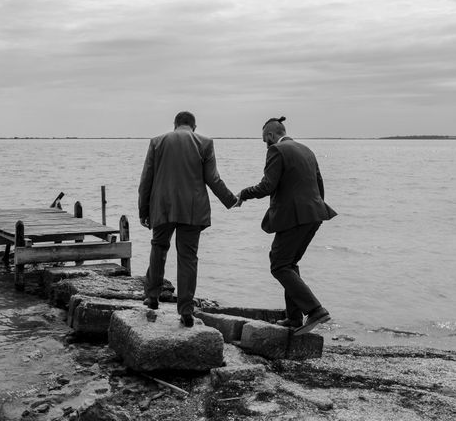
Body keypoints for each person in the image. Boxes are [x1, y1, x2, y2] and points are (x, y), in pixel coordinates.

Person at [235, 116, 337, 335]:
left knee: (279, 265)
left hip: (295, 217)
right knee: (289, 263)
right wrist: (313, 208)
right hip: (315, 213)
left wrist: (243, 194)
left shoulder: (276, 151)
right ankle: (294, 318)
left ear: (271, 135)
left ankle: (315, 309)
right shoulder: (306, 149)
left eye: (265, 140)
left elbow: (267, 186)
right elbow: (319, 184)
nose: (265, 144)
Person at [138, 111, 237, 327]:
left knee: (158, 247)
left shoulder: (157, 142)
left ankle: (152, 297)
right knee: (188, 257)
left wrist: (143, 211)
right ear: (194, 126)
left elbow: (147, 179)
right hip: (193, 209)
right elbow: (213, 178)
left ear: (175, 125)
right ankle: (185, 309)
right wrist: (231, 200)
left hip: (162, 206)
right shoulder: (205, 142)